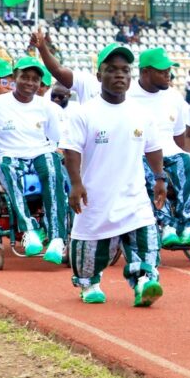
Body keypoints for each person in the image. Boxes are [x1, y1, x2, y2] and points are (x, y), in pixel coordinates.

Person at [62, 43, 167, 306]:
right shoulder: (84, 113)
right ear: (99, 75)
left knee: (145, 241)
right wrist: (76, 184)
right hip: (95, 197)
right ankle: (89, 283)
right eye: (111, 70)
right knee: (89, 250)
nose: (119, 75)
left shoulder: (141, 114)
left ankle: (144, 282)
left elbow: (153, 148)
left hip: (134, 197)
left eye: (125, 70)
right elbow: (71, 150)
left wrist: (160, 177)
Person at [0, 57, 68, 262]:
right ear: (14, 78)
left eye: (35, 79)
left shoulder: (48, 107)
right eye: (25, 77)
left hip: (39, 153)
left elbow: (55, 139)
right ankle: (29, 230)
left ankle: (57, 238)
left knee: (53, 168)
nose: (30, 82)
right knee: (7, 169)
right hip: (8, 155)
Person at [129, 47, 190, 248]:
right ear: (145, 72)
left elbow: (179, 139)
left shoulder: (174, 97)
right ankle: (166, 224)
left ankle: (188, 224)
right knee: (145, 172)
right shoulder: (128, 96)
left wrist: (180, 169)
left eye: (169, 70)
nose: (168, 75)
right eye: (162, 71)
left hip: (170, 153)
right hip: (140, 155)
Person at [31, 27, 99, 105]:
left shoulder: (73, 108)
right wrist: (42, 47)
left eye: (61, 96)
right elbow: (58, 71)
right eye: (54, 96)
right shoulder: (88, 82)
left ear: (48, 87)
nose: (56, 99)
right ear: (99, 74)